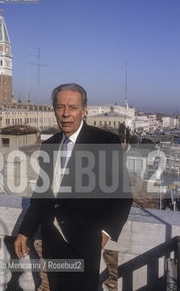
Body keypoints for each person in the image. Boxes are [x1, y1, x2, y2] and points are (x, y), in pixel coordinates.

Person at [15, 83, 133, 291]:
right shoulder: (49, 144)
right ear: (54, 109)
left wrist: (105, 233)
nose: (66, 114)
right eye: (60, 107)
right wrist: (25, 231)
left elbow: (122, 196)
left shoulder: (105, 142)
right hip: (53, 243)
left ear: (84, 110)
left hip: (86, 244)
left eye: (73, 108)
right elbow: (42, 193)